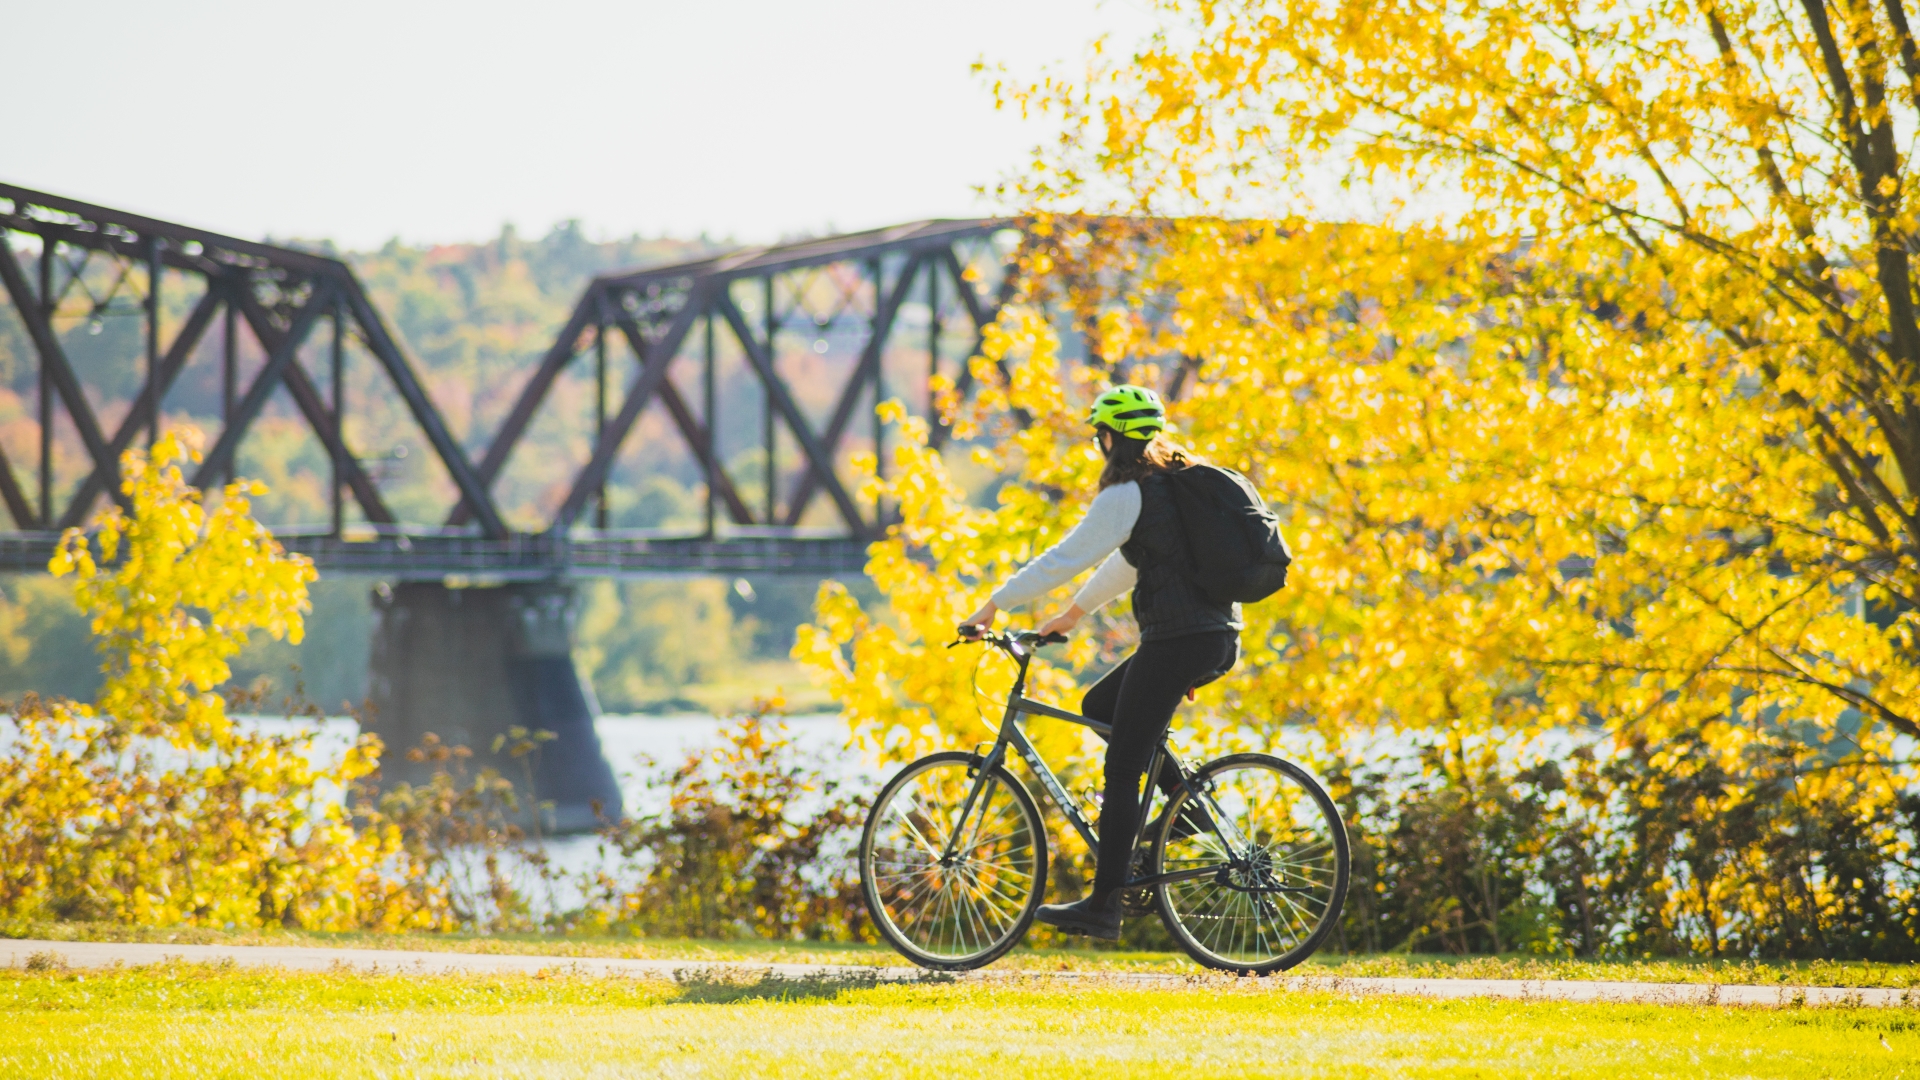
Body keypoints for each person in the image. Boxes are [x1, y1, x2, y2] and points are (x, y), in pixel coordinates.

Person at [960, 384, 1240, 940]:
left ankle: (1104, 904)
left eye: (1099, 435)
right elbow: (1131, 564)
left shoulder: (1127, 493)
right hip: (1211, 637)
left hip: (1179, 640)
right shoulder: (1167, 487)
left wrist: (994, 604)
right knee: (1101, 705)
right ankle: (1186, 812)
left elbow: (1066, 556)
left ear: (1109, 437)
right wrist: (1071, 614)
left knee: (1122, 768)